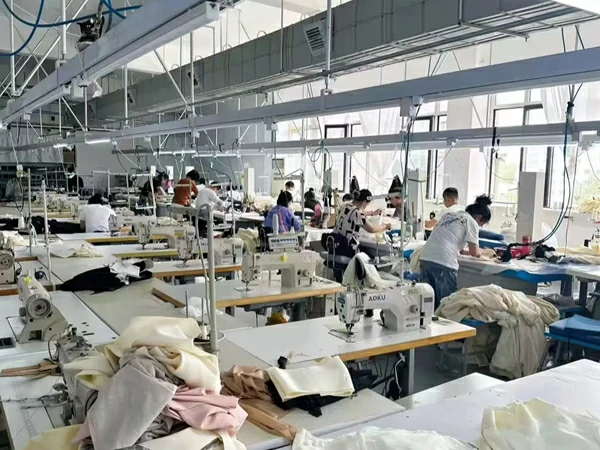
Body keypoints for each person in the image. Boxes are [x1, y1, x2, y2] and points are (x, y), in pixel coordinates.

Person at [419, 195, 492, 307]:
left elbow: (460, 249)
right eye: (481, 225)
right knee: (446, 304)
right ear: (479, 218)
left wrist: (476, 251)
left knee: (428, 303)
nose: (479, 227)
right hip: (443, 263)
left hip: (425, 258)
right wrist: (487, 252)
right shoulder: (471, 222)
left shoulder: (448, 216)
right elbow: (475, 253)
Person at [330, 189, 390, 258]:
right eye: (366, 205)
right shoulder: (357, 213)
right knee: (371, 256)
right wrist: (385, 226)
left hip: (336, 244)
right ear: (364, 202)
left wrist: (372, 213)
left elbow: (354, 213)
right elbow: (372, 229)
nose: (365, 207)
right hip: (347, 248)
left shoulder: (345, 205)